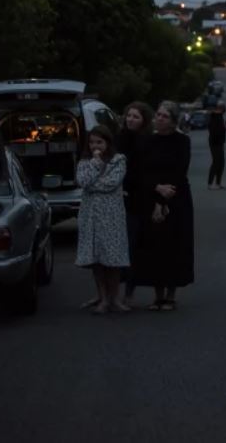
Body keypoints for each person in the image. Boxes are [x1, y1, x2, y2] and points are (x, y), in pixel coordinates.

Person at [134, 101, 195, 312]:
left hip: (176, 198)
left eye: (164, 116)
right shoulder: (147, 142)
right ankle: (157, 295)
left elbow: (180, 170)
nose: (159, 119)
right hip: (152, 195)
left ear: (173, 121)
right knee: (154, 245)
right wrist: (156, 189)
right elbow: (142, 171)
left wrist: (165, 198)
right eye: (158, 115)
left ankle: (171, 295)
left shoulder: (182, 141)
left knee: (174, 244)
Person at [75, 125, 130, 314]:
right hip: (91, 216)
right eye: (92, 142)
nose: (95, 146)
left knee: (112, 259)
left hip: (112, 216)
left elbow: (111, 183)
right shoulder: (85, 162)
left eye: (99, 142)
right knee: (97, 259)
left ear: (108, 142)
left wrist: (93, 183)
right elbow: (83, 181)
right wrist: (96, 164)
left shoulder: (118, 160)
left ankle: (115, 297)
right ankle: (103, 297)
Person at [116, 101, 154, 306]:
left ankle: (129, 292)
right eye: (129, 115)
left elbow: (146, 172)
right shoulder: (119, 138)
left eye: (136, 117)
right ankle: (107, 293)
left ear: (144, 121)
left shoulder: (146, 141)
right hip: (115, 198)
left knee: (131, 246)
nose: (130, 119)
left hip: (137, 200)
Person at [207, 102, 226, 190]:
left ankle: (218, 183)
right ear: (220, 109)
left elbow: (219, 129)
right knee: (216, 162)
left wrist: (224, 128)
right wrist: (224, 129)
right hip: (215, 142)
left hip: (219, 142)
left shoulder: (219, 117)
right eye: (223, 109)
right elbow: (214, 130)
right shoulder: (214, 117)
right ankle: (210, 183)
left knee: (221, 163)